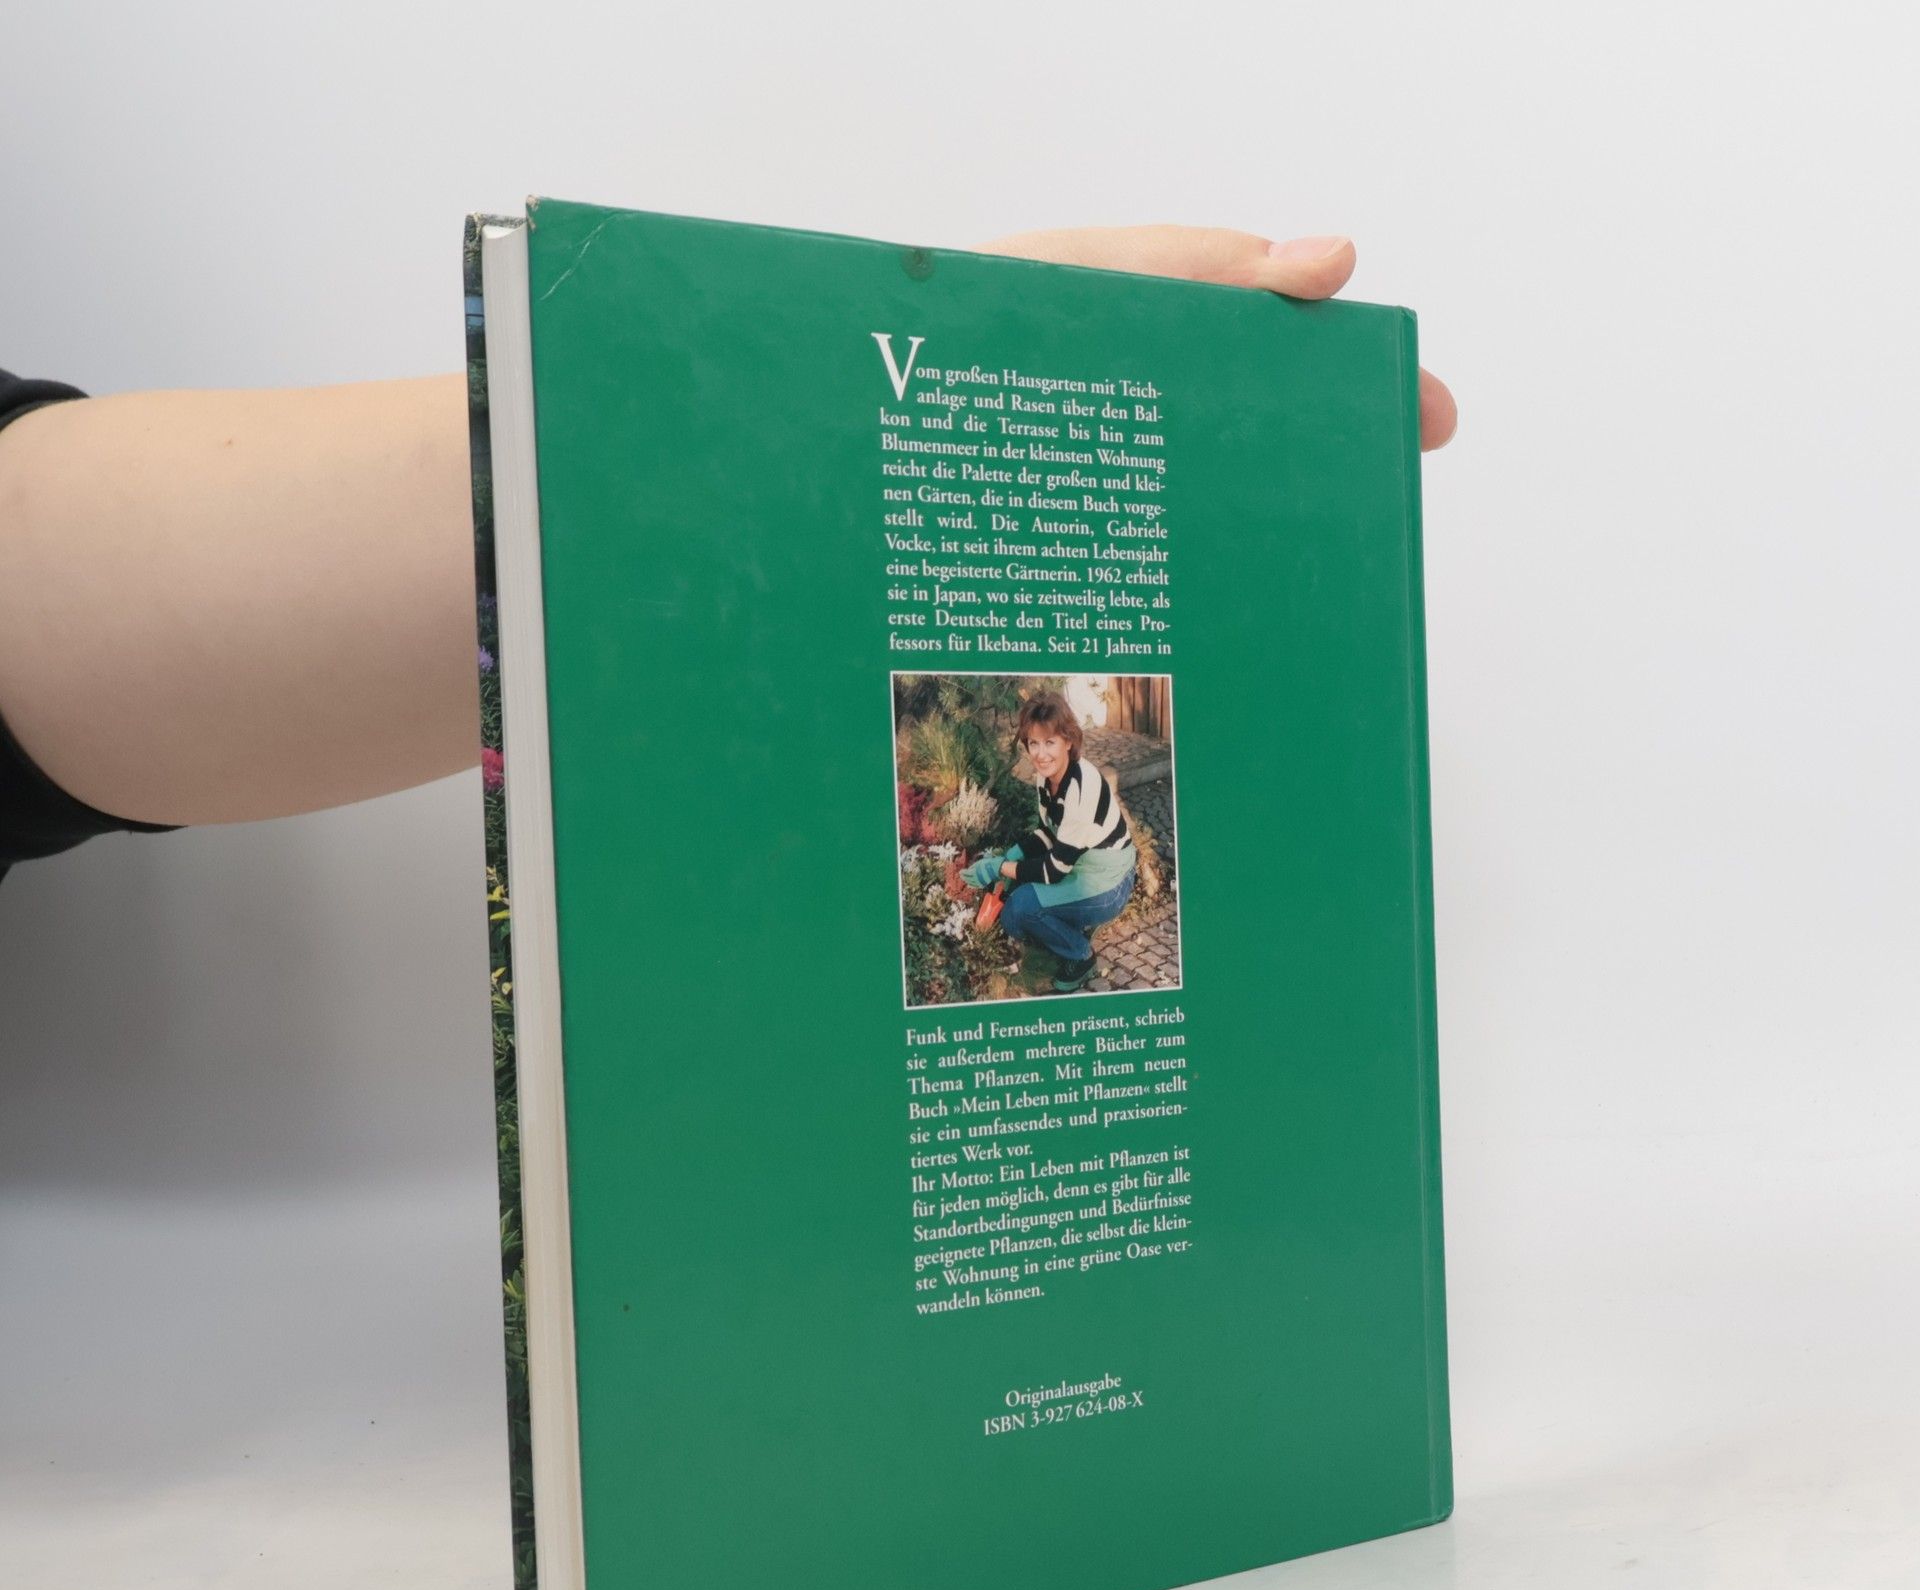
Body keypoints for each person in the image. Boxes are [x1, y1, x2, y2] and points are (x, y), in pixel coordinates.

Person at [0, 226, 1456, 888]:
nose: (1021, 749)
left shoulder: (1077, 783)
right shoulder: (1029, 776)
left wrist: (887, 385)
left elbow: (54, 585)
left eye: (1027, 738)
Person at [963, 690, 1137, 994]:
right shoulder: (1047, 777)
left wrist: (1000, 867)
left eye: (1049, 742)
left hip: (1109, 884)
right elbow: (1050, 832)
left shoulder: (1080, 788)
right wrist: (1014, 855)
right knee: (1018, 894)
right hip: (1079, 867)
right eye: (1033, 743)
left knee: (1018, 910)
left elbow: (1053, 870)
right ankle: (1069, 923)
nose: (1040, 754)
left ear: (1068, 741)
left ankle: (1080, 955)